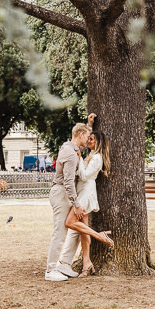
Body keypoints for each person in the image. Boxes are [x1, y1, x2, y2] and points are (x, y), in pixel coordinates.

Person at [60, 115, 114, 277]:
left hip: (86, 192)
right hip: (82, 190)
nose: (88, 141)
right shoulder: (91, 155)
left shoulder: (97, 158)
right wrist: (89, 124)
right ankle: (86, 263)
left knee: (70, 222)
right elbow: (80, 136)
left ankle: (100, 236)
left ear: (97, 143)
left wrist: (79, 159)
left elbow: (84, 176)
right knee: (82, 231)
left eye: (91, 139)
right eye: (88, 138)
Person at [45, 121, 92, 281]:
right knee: (60, 231)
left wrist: (88, 124)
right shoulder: (71, 154)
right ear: (80, 135)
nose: (88, 140)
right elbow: (68, 182)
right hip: (61, 193)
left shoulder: (71, 148)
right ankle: (50, 270)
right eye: (86, 136)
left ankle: (64, 264)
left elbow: (83, 144)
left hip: (65, 193)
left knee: (76, 229)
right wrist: (77, 204)